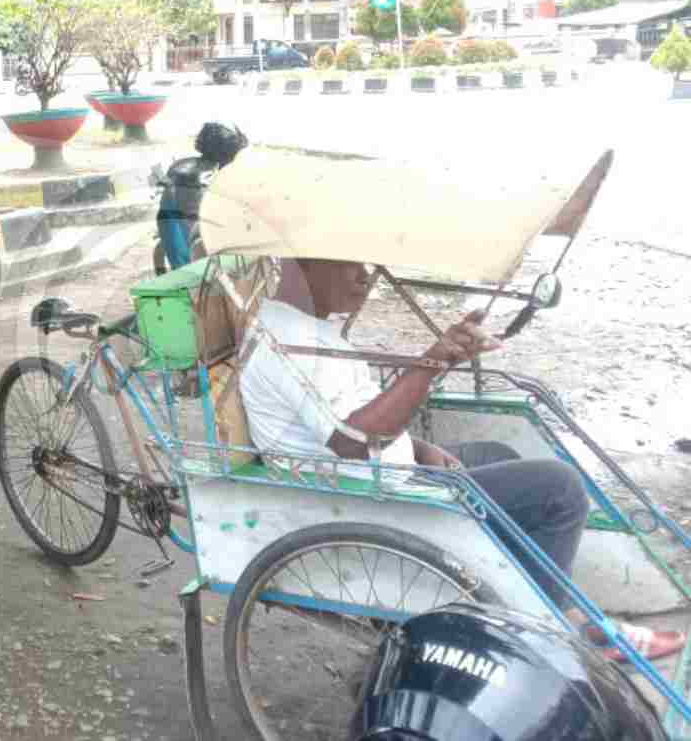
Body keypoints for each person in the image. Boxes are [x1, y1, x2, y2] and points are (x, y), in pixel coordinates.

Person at [239, 258, 686, 663]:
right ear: (302, 262)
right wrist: (433, 361)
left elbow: (350, 418)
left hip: (379, 478)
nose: (365, 276)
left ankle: (530, 603)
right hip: (365, 502)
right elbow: (351, 441)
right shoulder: (290, 342)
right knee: (559, 490)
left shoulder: (301, 327)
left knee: (499, 456)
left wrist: (418, 448)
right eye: (348, 262)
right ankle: (547, 630)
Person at [157, 122, 247, 271]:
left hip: (170, 218)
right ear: (227, 155)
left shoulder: (183, 164)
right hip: (180, 225)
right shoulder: (207, 175)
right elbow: (198, 217)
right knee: (192, 272)